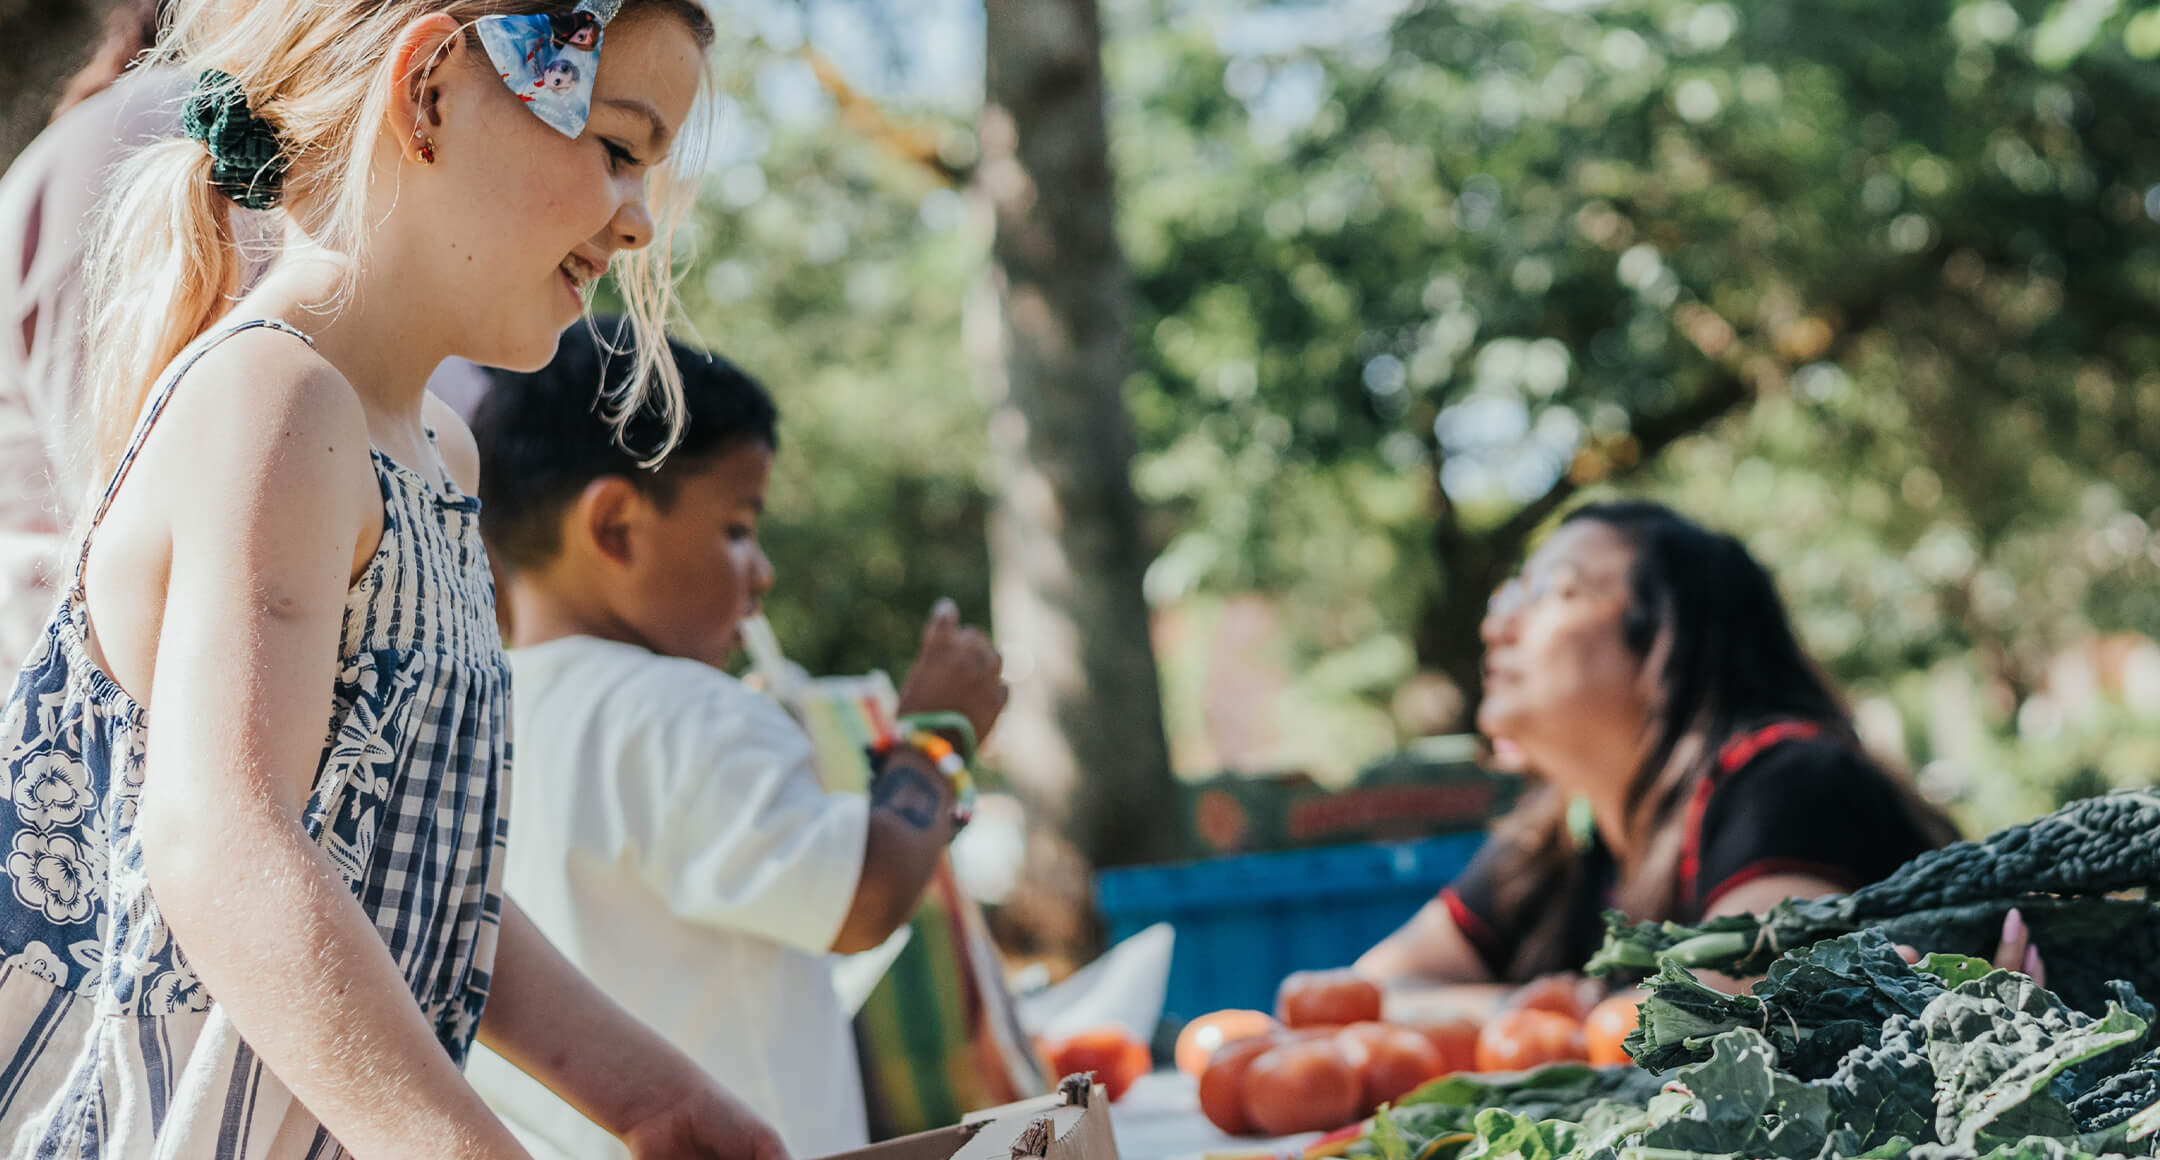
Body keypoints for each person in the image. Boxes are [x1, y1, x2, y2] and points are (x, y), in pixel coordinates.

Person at [0, 1, 792, 1156]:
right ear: (427, 92)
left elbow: (412, 866)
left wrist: (650, 1093)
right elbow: (223, 839)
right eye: (619, 147)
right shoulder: (276, 400)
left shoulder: (434, 454)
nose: (637, 221)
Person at [461, 318, 1009, 1159]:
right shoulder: (686, 711)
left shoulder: (472, 715)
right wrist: (936, 739)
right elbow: (861, 898)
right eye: (738, 527)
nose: (762, 573)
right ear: (614, 526)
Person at [1358, 500, 1961, 984]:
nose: (1496, 628)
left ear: (1667, 640)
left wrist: (1546, 1017)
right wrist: (1521, 1016)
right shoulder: (1562, 835)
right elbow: (1365, 992)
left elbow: (1715, 1020)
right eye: (1507, 597)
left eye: (1552, 592)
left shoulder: (1786, 779)